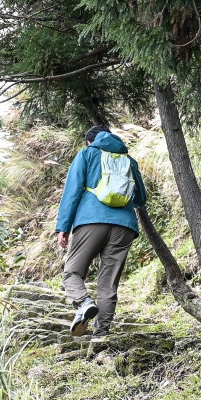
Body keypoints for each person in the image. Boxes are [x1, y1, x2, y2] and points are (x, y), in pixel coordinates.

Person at [55, 126, 149, 337]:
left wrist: (63, 227)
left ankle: (84, 302)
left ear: (90, 141)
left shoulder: (87, 153)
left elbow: (72, 192)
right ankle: (101, 335)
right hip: (124, 226)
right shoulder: (129, 160)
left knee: (72, 273)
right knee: (108, 283)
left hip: (91, 220)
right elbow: (141, 198)